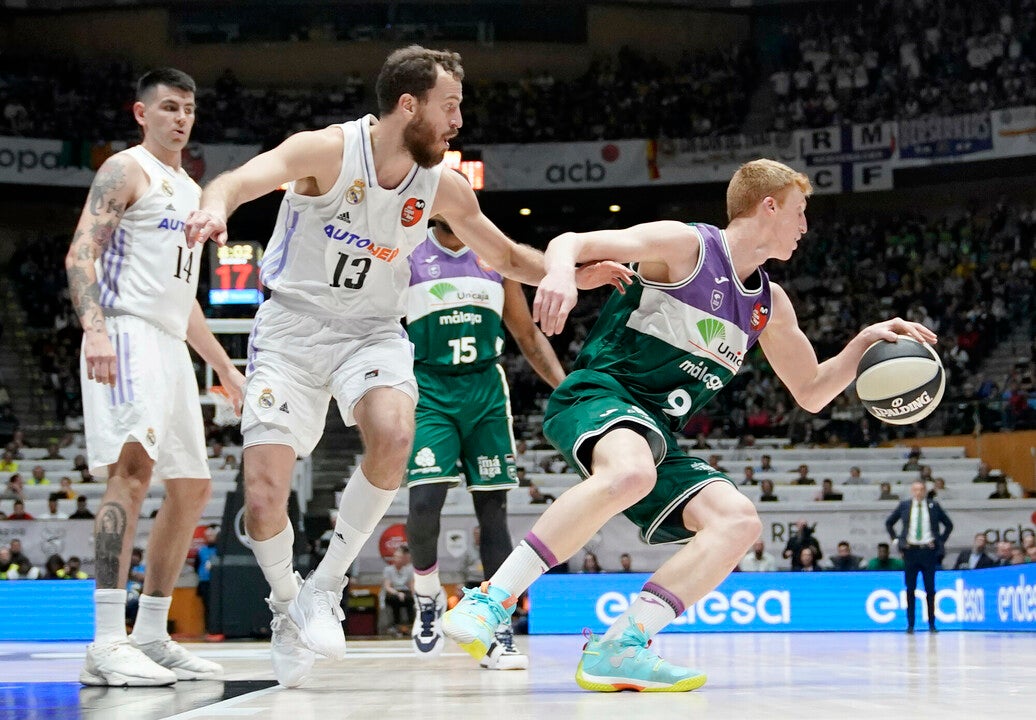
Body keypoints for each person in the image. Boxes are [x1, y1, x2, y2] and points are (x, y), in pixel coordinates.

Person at [183, 46, 625, 688]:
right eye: (450, 107)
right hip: (292, 329)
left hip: (371, 331)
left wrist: (575, 274)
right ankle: (286, 607)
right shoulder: (326, 151)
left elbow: (503, 254)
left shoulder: (442, 184)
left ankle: (326, 587)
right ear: (408, 105)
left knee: (394, 434)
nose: (458, 122)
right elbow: (239, 179)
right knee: (261, 498)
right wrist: (216, 207)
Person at [442, 158, 936, 691]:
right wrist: (561, 271)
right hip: (599, 394)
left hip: (654, 433)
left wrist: (862, 342)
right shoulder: (685, 246)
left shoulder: (769, 305)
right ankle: (492, 598)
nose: (805, 225)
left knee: (737, 521)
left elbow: (812, 392)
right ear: (768, 205)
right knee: (632, 472)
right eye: (800, 211)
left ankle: (621, 645)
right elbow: (572, 240)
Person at [64, 67, 243, 686]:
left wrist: (223, 365)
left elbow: (183, 298)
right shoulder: (124, 169)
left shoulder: (192, 191)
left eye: (188, 109)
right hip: (124, 331)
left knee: (192, 486)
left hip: (169, 343)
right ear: (141, 113)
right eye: (168, 107)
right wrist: (94, 330)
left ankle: (151, 634)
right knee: (132, 473)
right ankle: (106, 642)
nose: (180, 118)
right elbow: (80, 250)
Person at [403, 213, 565, 667]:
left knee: (493, 514)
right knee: (424, 503)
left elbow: (527, 335)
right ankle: (428, 592)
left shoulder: (495, 256)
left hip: (486, 394)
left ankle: (497, 629)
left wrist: (565, 387)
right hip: (431, 389)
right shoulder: (409, 253)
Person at [885, 480, 953, 633]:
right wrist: (898, 541)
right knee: (910, 588)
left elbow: (949, 525)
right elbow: (889, 523)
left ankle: (932, 624)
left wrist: (939, 541)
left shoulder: (933, 506)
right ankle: (910, 624)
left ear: (925, 491)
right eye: (916, 489)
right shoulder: (905, 505)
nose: (919, 492)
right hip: (910, 551)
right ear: (911, 491)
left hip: (928, 551)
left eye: (921, 489)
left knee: (930, 588)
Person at [382, 546, 415, 636]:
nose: (398, 559)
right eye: (396, 557)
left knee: (410, 600)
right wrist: (397, 593)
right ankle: (396, 626)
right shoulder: (388, 570)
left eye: (400, 557)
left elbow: (411, 585)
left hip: (405, 592)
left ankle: (410, 625)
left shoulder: (408, 570)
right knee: (394, 599)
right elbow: (387, 587)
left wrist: (415, 596)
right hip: (393, 592)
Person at [194, 524, 220, 639]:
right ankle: (209, 629)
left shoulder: (221, 550)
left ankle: (218, 629)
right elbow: (197, 566)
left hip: (218, 583)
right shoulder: (201, 551)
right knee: (207, 607)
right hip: (205, 582)